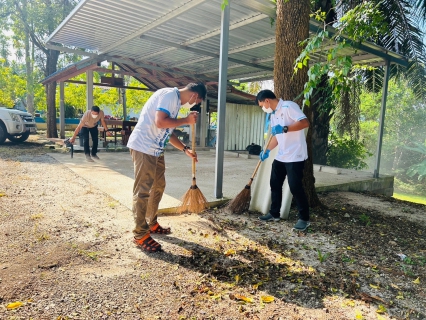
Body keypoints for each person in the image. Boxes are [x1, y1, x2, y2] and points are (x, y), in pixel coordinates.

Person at [127, 83, 207, 252]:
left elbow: (168, 132)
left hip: (156, 149)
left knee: (158, 186)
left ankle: (151, 222)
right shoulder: (170, 96)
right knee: (143, 190)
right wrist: (186, 120)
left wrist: (185, 149)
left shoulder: (175, 103)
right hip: (144, 147)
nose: (195, 104)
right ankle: (140, 234)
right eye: (197, 101)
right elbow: (160, 122)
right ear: (195, 96)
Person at [255, 89, 311, 231]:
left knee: (295, 186)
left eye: (262, 105)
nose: (263, 108)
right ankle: (274, 213)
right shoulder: (273, 115)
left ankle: (304, 218)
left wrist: (285, 128)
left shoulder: (288, 106)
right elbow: (276, 137)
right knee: (275, 183)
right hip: (282, 155)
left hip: (296, 155)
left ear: (267, 100)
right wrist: (267, 150)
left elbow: (305, 123)